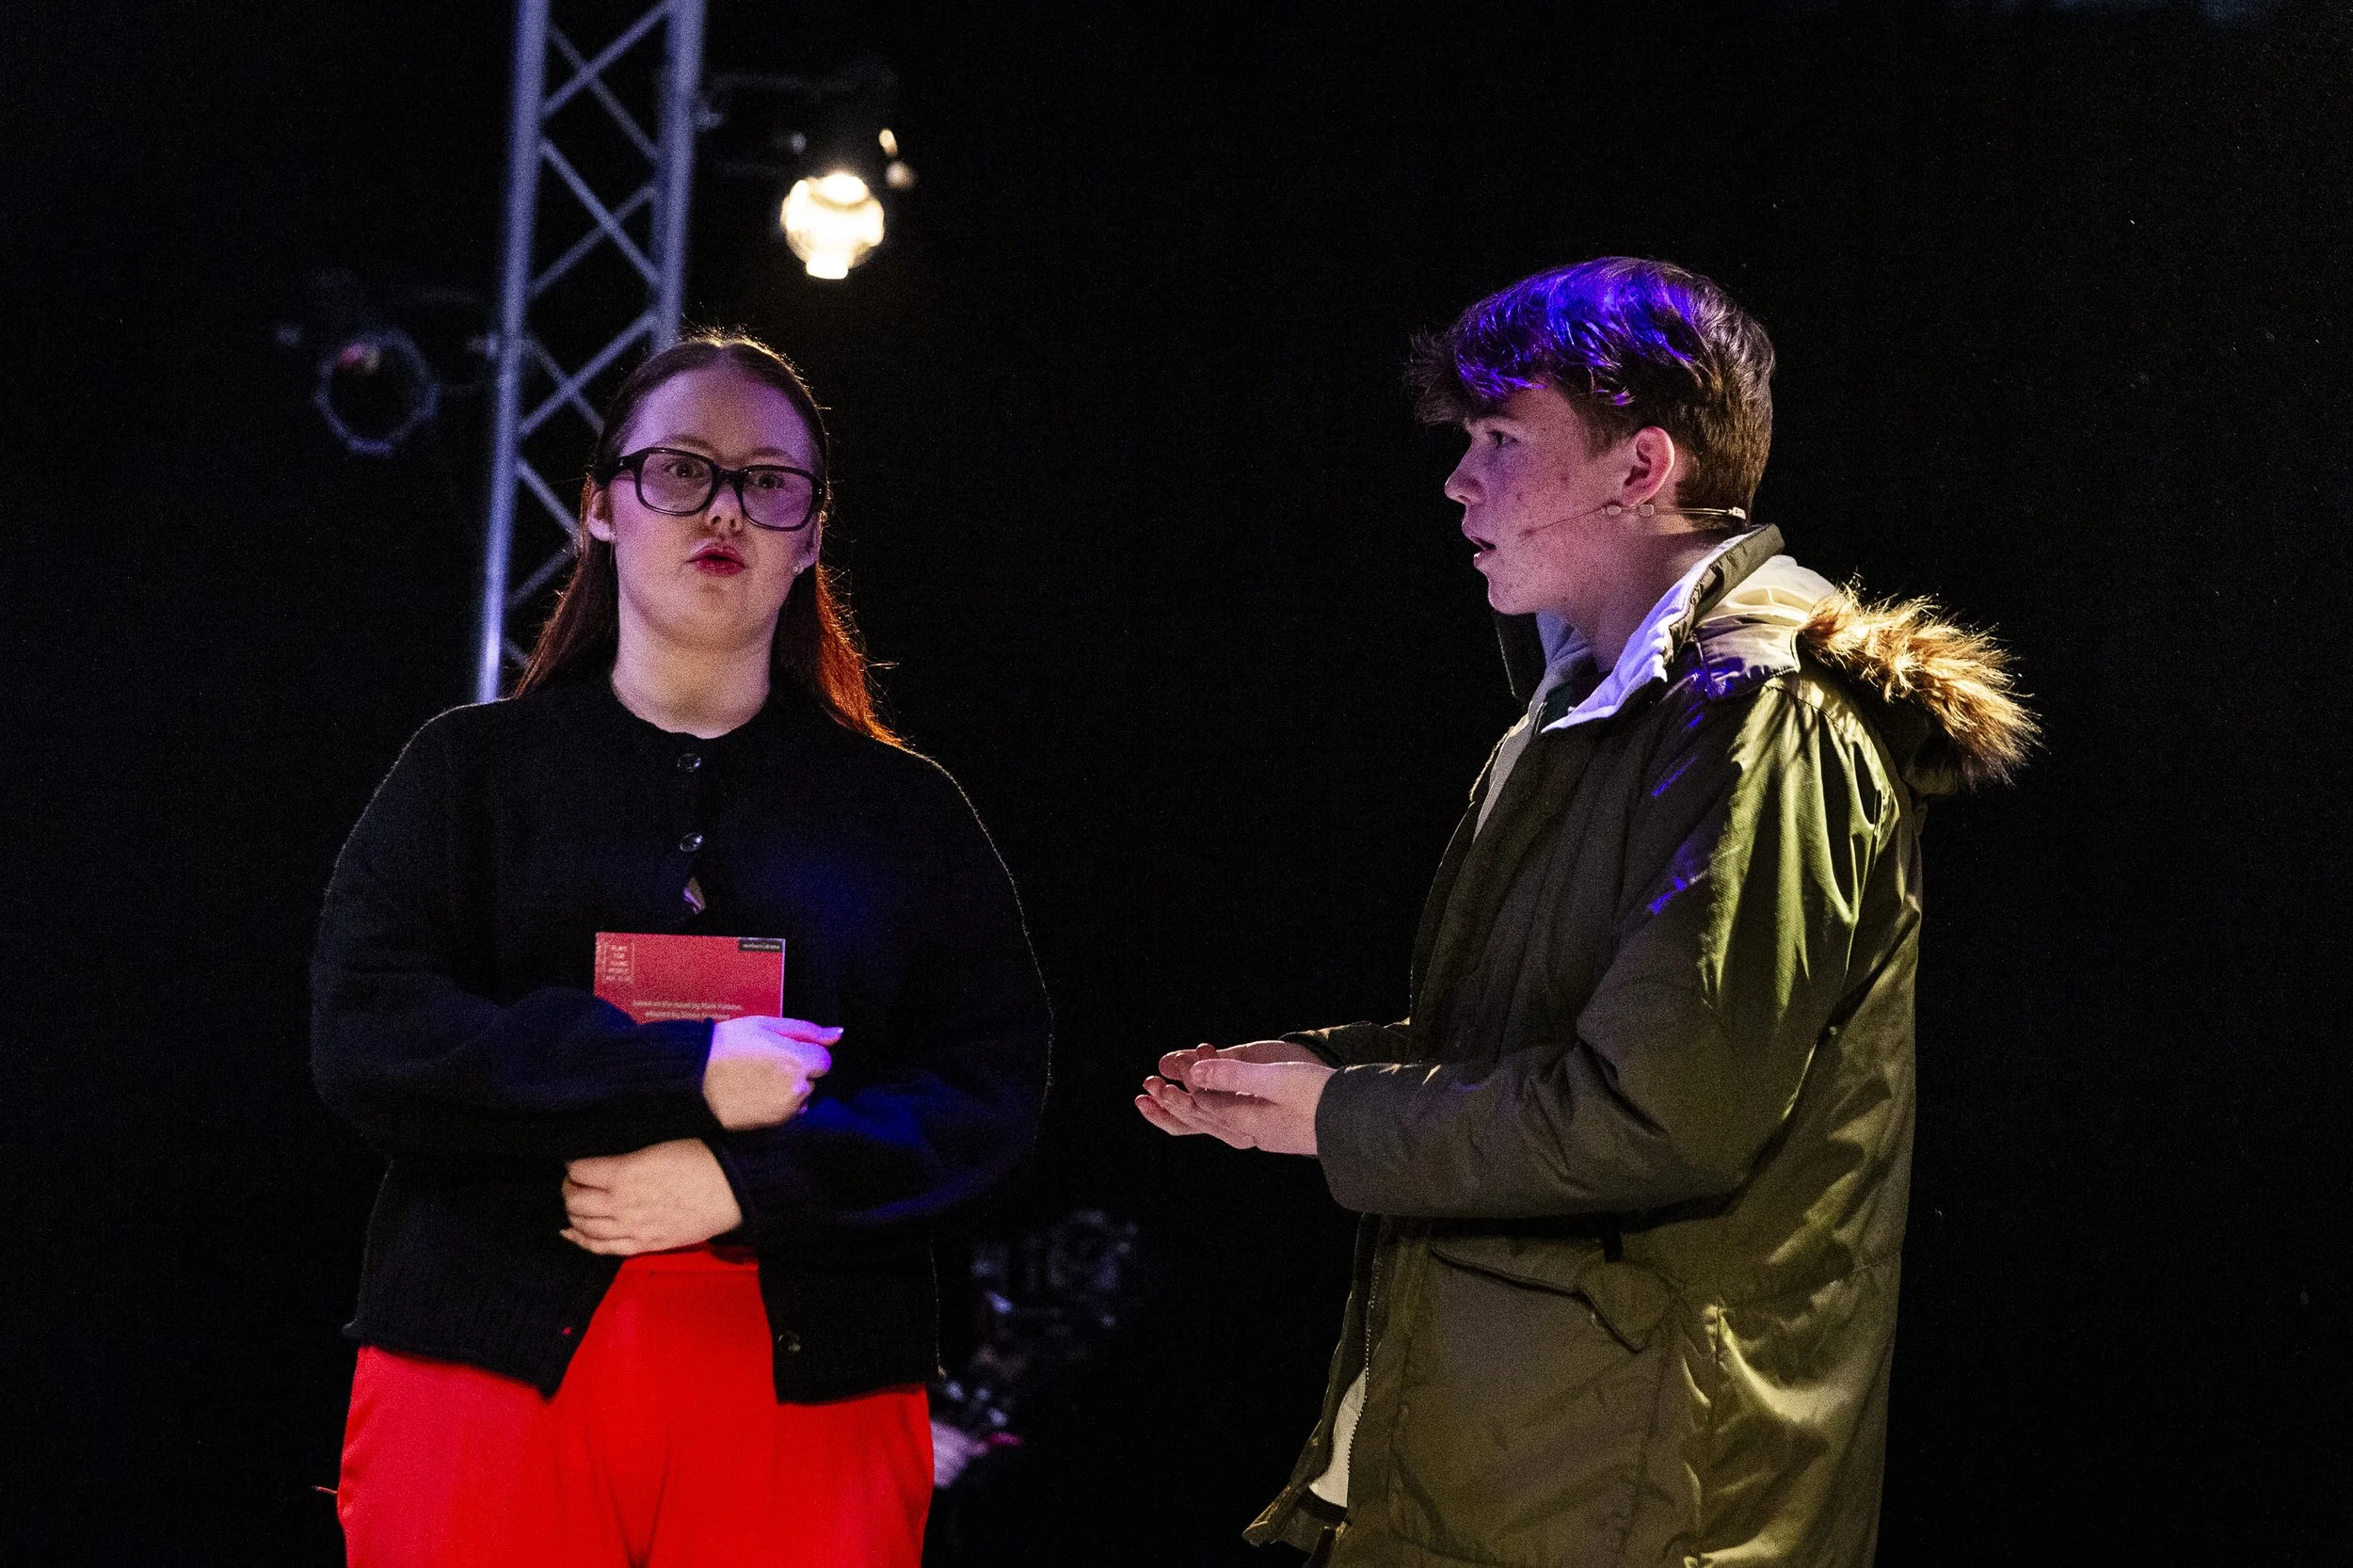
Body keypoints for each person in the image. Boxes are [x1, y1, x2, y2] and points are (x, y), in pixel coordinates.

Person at [1136, 258, 2035, 1566]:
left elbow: (1657, 1114)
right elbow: (1545, 1042)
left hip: (1632, 1502)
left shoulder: (1761, 719)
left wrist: (1339, 1116)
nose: (1459, 481)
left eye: (1500, 439)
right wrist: (1327, 1073)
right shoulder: (1597, 708)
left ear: (1641, 466)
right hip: (1526, 1473)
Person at [313, 333, 1051, 1567]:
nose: (725, 509)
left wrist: (751, 1185)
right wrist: (681, 1072)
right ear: (602, 506)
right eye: (682, 470)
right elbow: (370, 1034)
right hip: (489, 1373)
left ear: (811, 535)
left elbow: (989, 1096)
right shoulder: (466, 774)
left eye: (770, 482)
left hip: (806, 1392)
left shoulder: (906, 815)